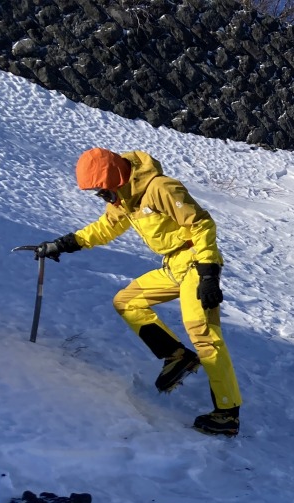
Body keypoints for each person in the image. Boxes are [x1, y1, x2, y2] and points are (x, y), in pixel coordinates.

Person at [32, 148, 243, 436]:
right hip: (173, 266)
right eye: (100, 194)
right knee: (126, 302)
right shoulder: (123, 198)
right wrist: (63, 244)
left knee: (204, 334)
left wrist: (209, 273)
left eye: (103, 191)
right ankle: (177, 356)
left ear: (115, 177)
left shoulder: (160, 188)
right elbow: (104, 228)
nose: (104, 197)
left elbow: (201, 223)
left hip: (195, 262)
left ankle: (227, 414)